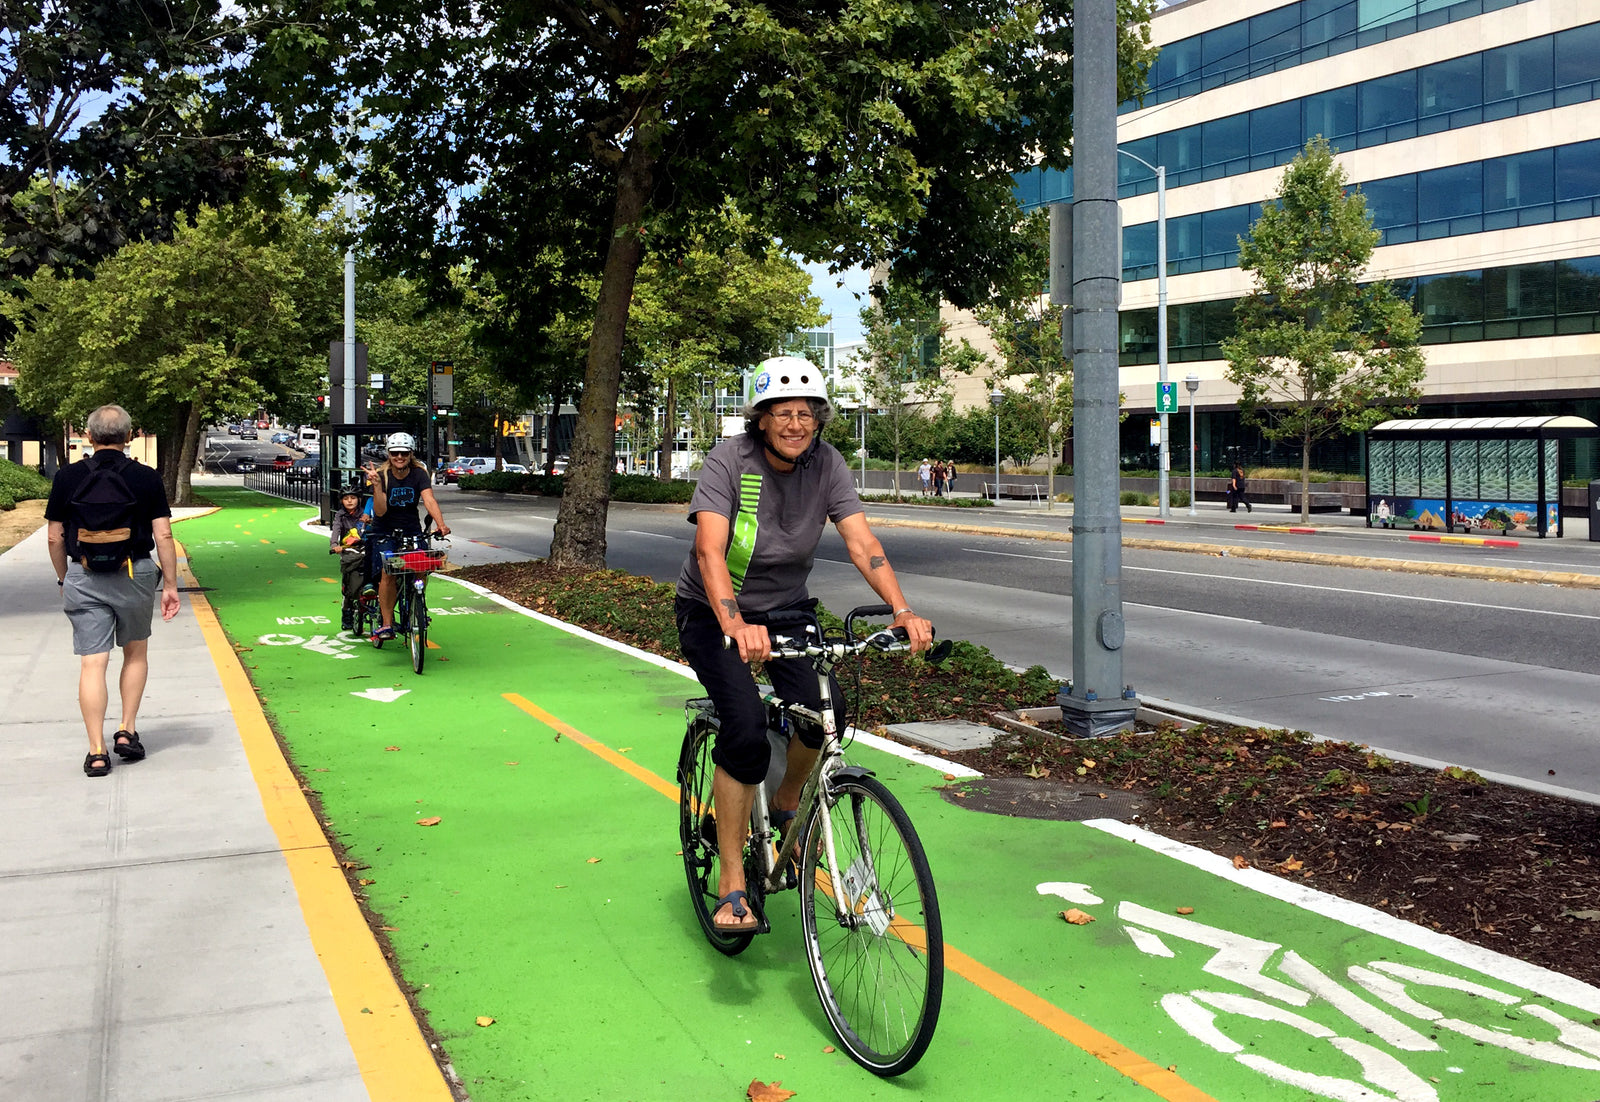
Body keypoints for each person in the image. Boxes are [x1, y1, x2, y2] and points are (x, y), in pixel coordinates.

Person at [674, 356, 933, 933]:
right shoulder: (729, 461)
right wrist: (736, 624)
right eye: (783, 413)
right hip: (714, 610)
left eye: (807, 414)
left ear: (819, 420)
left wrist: (902, 608)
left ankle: (788, 802)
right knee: (743, 729)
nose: (796, 424)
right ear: (761, 419)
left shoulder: (827, 464)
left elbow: (861, 539)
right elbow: (709, 553)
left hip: (787, 607)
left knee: (828, 713)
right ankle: (733, 882)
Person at [45, 404, 181, 777]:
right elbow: (164, 534)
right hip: (133, 573)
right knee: (135, 652)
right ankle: (127, 730)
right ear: (130, 436)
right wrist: (169, 584)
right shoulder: (146, 477)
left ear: (89, 436)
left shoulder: (68, 477)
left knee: (93, 662)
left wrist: (64, 578)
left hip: (83, 575)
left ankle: (97, 752)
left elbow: (55, 536)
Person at [364, 432, 451, 642]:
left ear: (410, 453)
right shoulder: (382, 475)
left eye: (404, 453)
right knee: (389, 573)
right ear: (389, 454)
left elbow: (429, 500)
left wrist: (441, 525)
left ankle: (417, 605)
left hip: (412, 529)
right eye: (395, 453)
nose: (399, 457)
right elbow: (381, 510)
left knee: (422, 566)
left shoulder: (419, 473)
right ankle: (386, 624)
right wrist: (376, 486)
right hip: (385, 530)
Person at [329, 484, 370, 632]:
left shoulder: (364, 513)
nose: (350, 501)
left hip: (365, 547)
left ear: (359, 499)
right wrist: (335, 544)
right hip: (348, 550)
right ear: (341, 501)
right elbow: (336, 530)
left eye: (353, 498)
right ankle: (347, 610)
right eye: (346, 498)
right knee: (349, 580)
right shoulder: (340, 515)